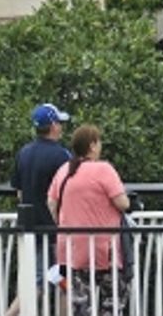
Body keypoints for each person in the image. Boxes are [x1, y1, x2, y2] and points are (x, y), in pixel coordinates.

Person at [49, 124, 131, 316]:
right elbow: (122, 203)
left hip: (70, 249)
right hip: (103, 249)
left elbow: (51, 203)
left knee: (79, 304)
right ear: (92, 146)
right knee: (113, 301)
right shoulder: (103, 169)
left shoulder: (64, 170)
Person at [4, 103, 72, 316]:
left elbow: (19, 192)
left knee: (60, 280)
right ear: (52, 126)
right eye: (59, 123)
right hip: (53, 231)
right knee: (42, 283)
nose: (61, 127)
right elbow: (67, 193)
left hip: (28, 229)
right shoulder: (62, 156)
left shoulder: (24, 153)